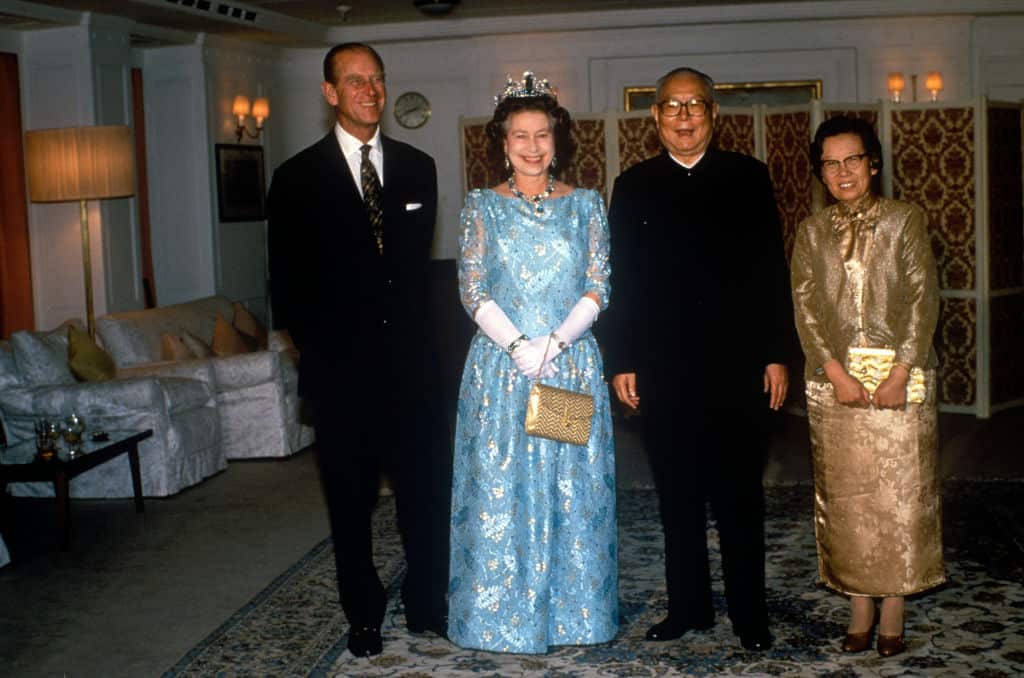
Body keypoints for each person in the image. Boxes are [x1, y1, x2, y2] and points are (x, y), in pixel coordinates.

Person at [598, 66, 795, 652]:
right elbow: (622, 280)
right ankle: (688, 608)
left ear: (714, 114)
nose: (684, 116)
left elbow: (770, 273)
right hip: (663, 368)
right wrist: (622, 360)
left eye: (695, 105)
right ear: (655, 117)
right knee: (677, 497)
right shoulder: (632, 185)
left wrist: (777, 355)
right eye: (672, 106)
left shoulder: (748, 177)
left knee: (740, 496)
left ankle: (748, 614)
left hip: (738, 369)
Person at [267, 42, 450, 658]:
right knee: (350, 506)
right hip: (341, 377)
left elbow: (414, 270)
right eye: (354, 82)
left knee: (425, 496)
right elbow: (286, 289)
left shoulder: (418, 166)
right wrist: (327, 357)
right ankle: (364, 614)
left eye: (376, 81)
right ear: (330, 93)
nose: (370, 92)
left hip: (413, 374)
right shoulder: (295, 178)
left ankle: (428, 605)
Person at [446, 72, 618, 654]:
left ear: (557, 139)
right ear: (501, 142)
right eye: (519, 135)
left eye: (542, 134)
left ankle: (572, 616)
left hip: (565, 367)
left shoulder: (586, 205)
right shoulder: (481, 208)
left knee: (567, 489)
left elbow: (599, 284)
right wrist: (518, 345)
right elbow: (471, 288)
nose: (532, 146)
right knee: (503, 489)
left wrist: (556, 344)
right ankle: (501, 617)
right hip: (501, 370)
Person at [791, 115, 944, 657]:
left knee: (901, 497)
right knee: (849, 497)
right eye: (830, 164)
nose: (842, 171)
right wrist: (833, 371)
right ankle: (859, 601)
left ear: (872, 162)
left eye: (852, 159)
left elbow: (923, 298)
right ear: (821, 174)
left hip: (901, 382)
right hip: (834, 386)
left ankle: (896, 603)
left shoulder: (906, 220)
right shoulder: (810, 232)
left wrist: (903, 369)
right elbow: (805, 308)